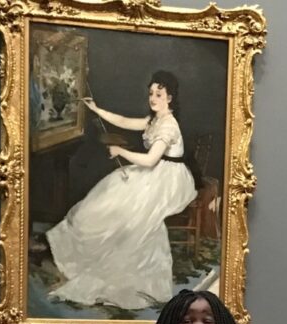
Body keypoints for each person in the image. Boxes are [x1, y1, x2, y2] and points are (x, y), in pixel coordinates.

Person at [46, 71, 198, 310]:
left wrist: (121, 152)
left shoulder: (168, 125)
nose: (153, 98)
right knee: (107, 199)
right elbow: (125, 122)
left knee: (131, 212)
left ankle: (119, 268)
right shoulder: (155, 119)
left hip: (169, 180)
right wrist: (97, 110)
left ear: (170, 98)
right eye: (151, 93)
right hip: (154, 172)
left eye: (159, 94)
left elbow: (150, 160)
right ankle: (94, 251)